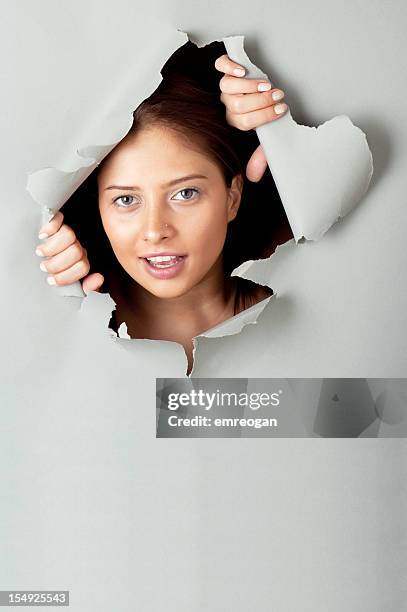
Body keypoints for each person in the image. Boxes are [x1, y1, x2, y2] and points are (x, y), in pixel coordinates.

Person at [34, 46, 289, 374]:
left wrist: (286, 132)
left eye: (185, 193)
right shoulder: (77, 335)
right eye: (126, 200)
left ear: (232, 197)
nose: (155, 230)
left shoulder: (303, 295)